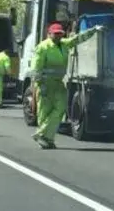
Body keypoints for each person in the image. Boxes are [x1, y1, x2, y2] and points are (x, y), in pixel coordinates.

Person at [31, 21, 103, 149]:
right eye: (55, 34)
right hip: (46, 84)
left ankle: (42, 134)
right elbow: (36, 69)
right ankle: (47, 139)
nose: (58, 36)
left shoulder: (64, 44)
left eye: (60, 34)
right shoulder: (42, 47)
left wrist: (93, 30)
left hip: (58, 83)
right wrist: (40, 85)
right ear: (49, 34)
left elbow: (79, 39)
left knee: (60, 109)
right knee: (44, 112)